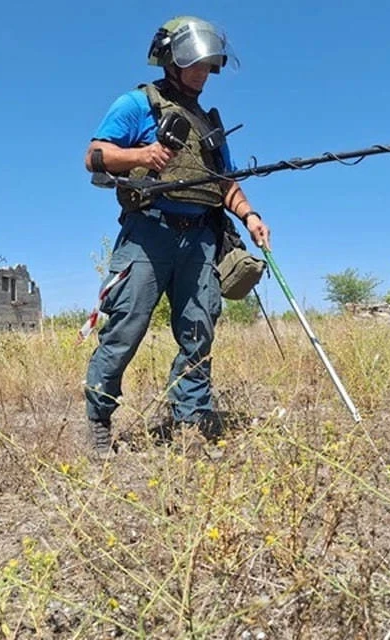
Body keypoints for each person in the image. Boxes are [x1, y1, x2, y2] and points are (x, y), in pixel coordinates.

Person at [82, 16, 271, 458]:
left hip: (201, 238)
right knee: (125, 328)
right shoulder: (137, 103)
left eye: (208, 65)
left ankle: (191, 422)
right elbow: (94, 156)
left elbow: (224, 182)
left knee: (198, 331)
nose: (202, 73)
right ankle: (99, 420)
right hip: (149, 233)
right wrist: (141, 155)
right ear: (170, 60)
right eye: (194, 64)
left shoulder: (207, 122)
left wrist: (250, 216)